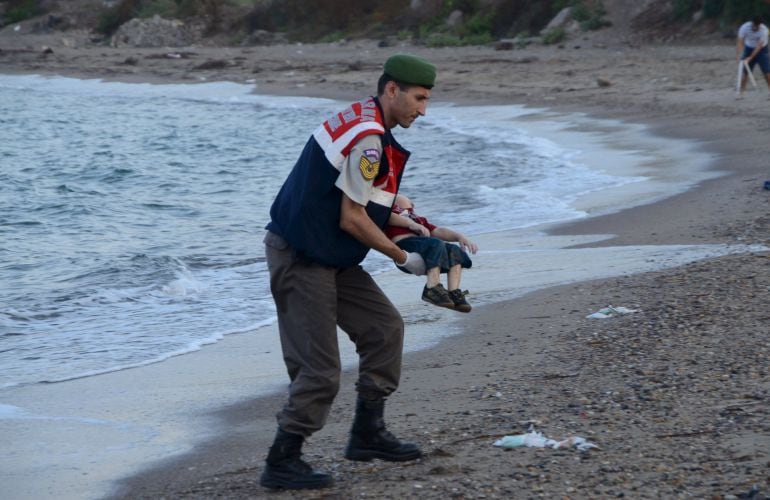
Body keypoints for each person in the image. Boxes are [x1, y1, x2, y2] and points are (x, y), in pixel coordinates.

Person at [260, 54, 436, 490]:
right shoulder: (370, 140)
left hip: (331, 255)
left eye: (427, 100)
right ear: (392, 89)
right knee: (319, 370)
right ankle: (283, 460)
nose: (423, 110)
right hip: (301, 256)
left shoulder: (365, 119)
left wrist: (401, 213)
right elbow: (352, 218)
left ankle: (366, 434)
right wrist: (401, 257)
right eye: (418, 98)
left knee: (384, 327)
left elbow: (358, 193)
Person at [385, 194, 478, 313]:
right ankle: (432, 287)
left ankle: (454, 292)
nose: (411, 204)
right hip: (404, 246)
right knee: (436, 243)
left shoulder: (419, 220)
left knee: (454, 250)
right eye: (408, 201)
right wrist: (410, 223)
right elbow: (388, 217)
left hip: (425, 248)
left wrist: (459, 236)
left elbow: (438, 231)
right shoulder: (392, 213)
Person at [736, 16, 770, 98]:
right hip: (749, 48)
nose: (755, 28)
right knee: (745, 71)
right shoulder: (744, 27)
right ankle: (741, 92)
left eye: (757, 26)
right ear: (752, 23)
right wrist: (739, 54)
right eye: (754, 25)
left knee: (766, 71)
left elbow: (759, 46)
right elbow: (740, 41)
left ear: (760, 25)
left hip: (761, 49)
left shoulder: (764, 31)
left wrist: (750, 58)